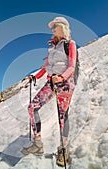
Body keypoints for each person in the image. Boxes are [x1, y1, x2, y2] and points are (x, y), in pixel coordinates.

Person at [21, 16, 77, 166]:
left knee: (62, 115)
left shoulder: (70, 44)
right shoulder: (51, 47)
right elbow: (45, 67)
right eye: (52, 27)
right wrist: (35, 76)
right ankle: (38, 144)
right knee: (32, 107)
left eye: (55, 26)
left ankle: (63, 149)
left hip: (65, 83)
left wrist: (62, 77)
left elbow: (71, 66)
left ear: (63, 27)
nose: (52, 29)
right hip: (51, 82)